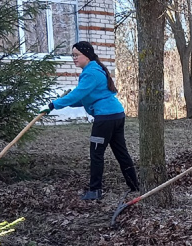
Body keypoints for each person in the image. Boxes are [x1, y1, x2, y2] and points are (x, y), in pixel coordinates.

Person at [41, 41, 139, 200]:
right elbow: (85, 98)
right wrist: (62, 104)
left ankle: (95, 191)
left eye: (76, 55)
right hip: (117, 114)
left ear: (86, 55)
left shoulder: (90, 73)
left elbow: (78, 93)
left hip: (105, 119)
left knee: (96, 153)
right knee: (121, 152)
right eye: (72, 55)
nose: (74, 58)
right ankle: (134, 185)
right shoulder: (96, 69)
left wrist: (54, 105)